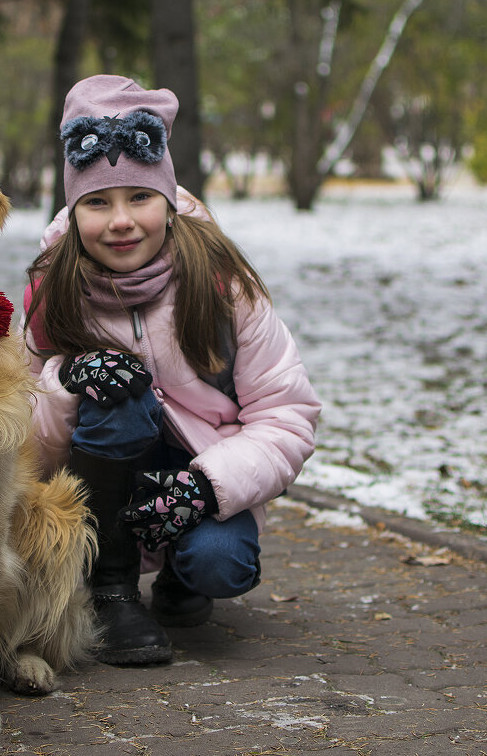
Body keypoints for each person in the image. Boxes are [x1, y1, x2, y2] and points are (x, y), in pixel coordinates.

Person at [23, 75, 321, 665]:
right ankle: (109, 589)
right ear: (74, 209)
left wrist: (204, 486)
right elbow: (17, 438)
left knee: (221, 563)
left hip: (197, 472)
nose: (121, 221)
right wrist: (65, 384)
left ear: (167, 198)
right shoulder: (51, 292)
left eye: (139, 197)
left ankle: (184, 574)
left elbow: (288, 414)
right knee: (116, 398)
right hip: (100, 478)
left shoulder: (222, 284)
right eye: (97, 203)